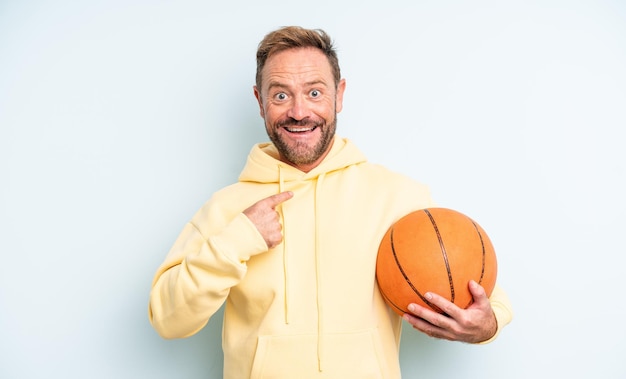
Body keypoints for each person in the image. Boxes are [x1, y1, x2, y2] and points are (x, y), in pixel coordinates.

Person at [149, 26, 513, 378]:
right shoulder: (226, 208)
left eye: (314, 93)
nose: (298, 111)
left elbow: (486, 298)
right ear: (260, 102)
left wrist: (486, 325)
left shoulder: (399, 197)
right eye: (280, 95)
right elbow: (168, 319)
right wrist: (237, 239)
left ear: (339, 95)